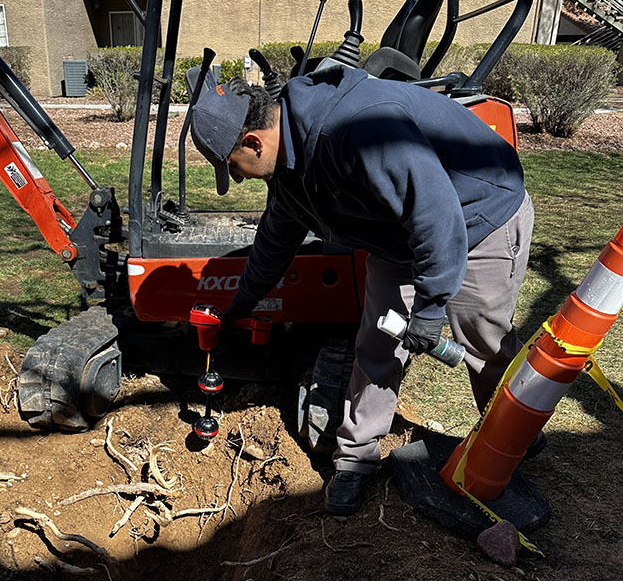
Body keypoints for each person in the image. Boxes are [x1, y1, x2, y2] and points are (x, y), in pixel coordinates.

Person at [189, 68, 535, 517]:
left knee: (482, 340)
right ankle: (355, 459)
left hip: (477, 217)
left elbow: (436, 213)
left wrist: (429, 309)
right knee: (376, 343)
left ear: (254, 142)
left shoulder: (359, 129)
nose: (237, 180)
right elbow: (276, 237)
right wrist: (243, 302)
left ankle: (512, 435)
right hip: (397, 234)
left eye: (233, 168)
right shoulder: (288, 162)